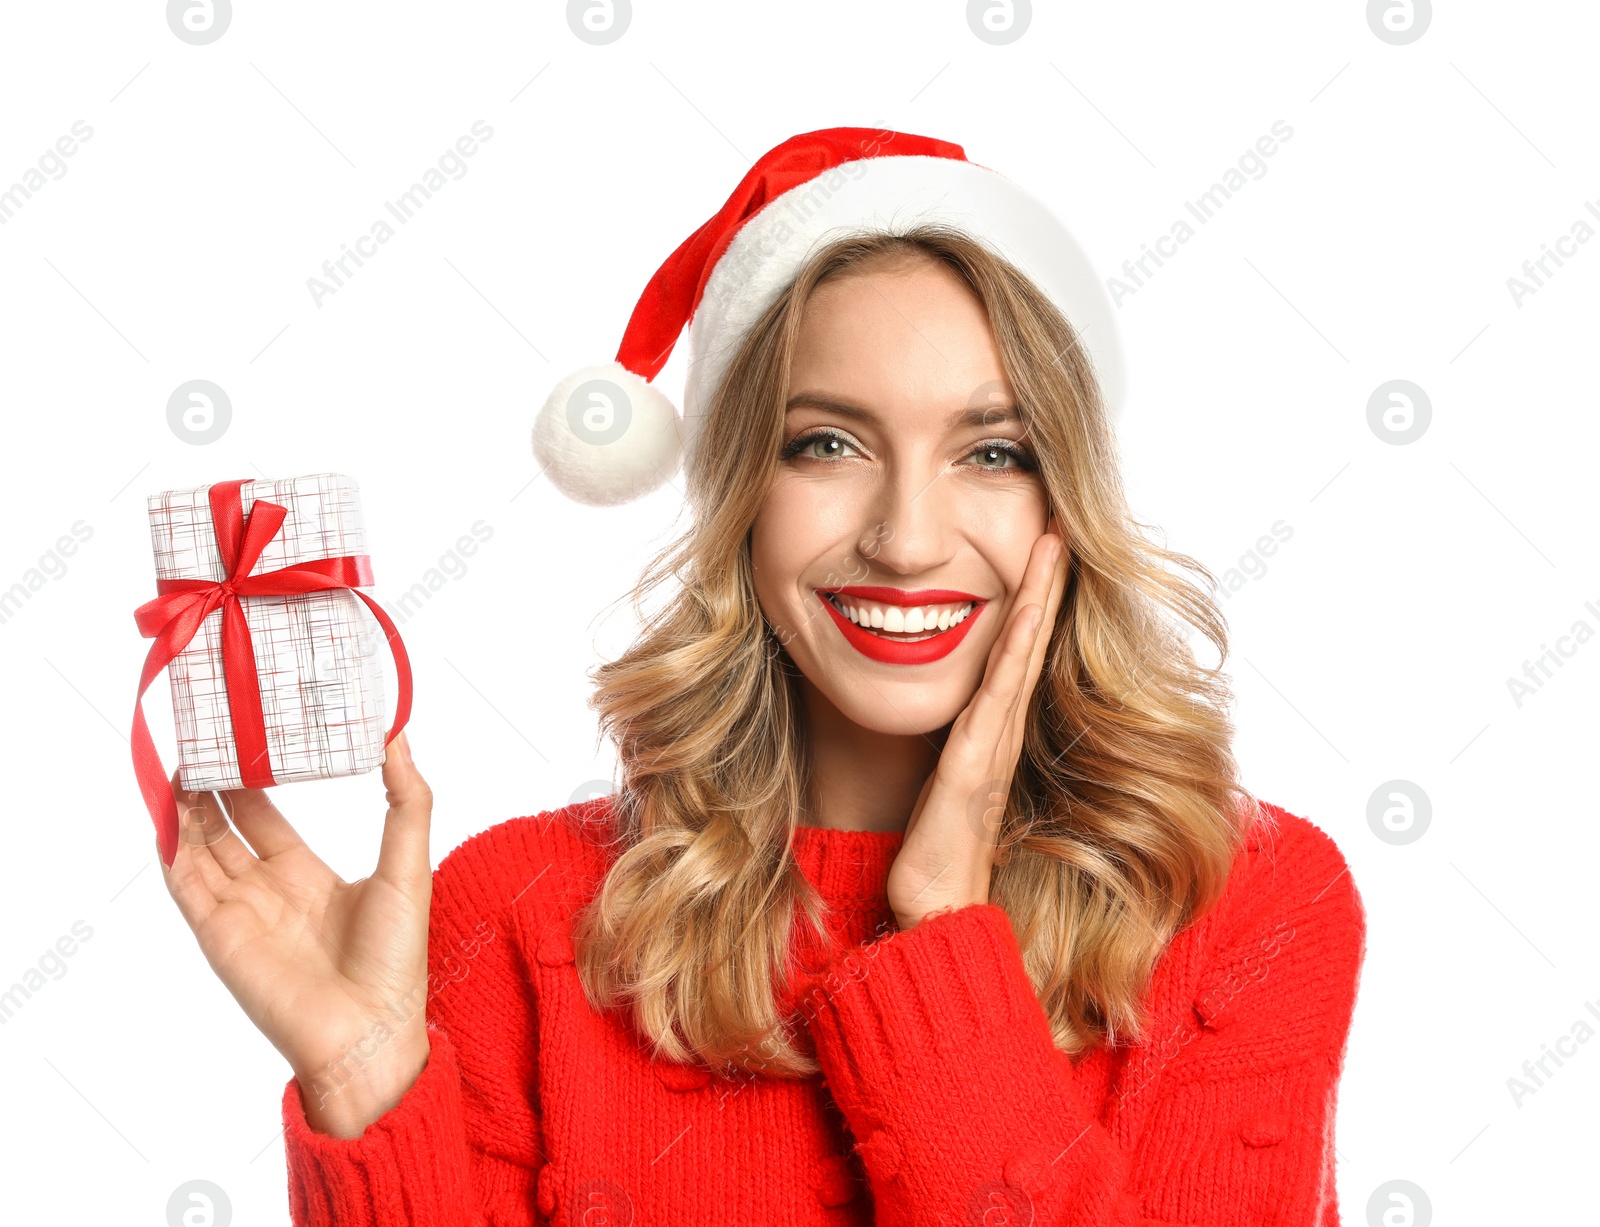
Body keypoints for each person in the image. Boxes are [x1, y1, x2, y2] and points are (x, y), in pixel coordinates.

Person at [158, 128, 1365, 1225]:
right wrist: (371, 1075)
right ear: (740, 494)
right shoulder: (514, 913)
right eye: (826, 444)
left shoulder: (1247, 908)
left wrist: (942, 928)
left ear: (1068, 501)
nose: (904, 537)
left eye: (991, 452)